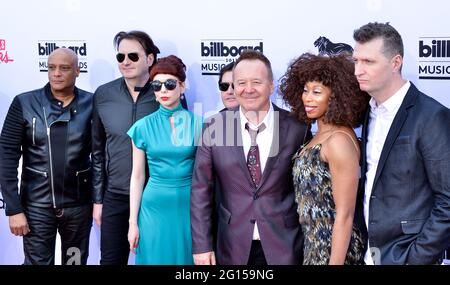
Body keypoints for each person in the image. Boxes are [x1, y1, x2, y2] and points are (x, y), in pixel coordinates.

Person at [191, 50, 311, 265]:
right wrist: (202, 246)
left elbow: (307, 191)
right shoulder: (214, 127)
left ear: (271, 86)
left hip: (284, 244)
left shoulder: (297, 128)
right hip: (232, 244)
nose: (248, 89)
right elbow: (201, 191)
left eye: (256, 82)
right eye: (241, 83)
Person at [353, 22, 450, 265]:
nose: (358, 70)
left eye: (368, 62)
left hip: (406, 255)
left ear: (396, 63)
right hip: (369, 255)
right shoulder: (368, 111)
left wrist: (416, 258)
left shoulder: (431, 116)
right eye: (356, 61)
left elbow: (448, 199)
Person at [0, 48, 93, 265]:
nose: (56, 73)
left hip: (78, 208)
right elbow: (6, 156)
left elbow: (100, 157)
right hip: (36, 207)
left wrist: (98, 201)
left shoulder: (92, 104)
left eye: (64, 68)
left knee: (75, 263)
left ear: (78, 71)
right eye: (51, 68)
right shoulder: (24, 103)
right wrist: (13, 209)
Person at [279, 52, 369, 265]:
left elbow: (345, 215)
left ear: (336, 97)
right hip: (314, 247)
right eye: (305, 90)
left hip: (335, 251)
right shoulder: (319, 134)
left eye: (317, 92)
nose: (307, 98)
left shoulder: (338, 140)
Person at [91, 31, 161, 265]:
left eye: (132, 55)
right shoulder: (103, 94)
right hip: (116, 196)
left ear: (149, 59)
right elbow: (97, 150)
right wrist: (98, 199)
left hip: (154, 196)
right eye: (120, 57)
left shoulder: (165, 93)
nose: (126, 61)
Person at [127, 55, 202, 264]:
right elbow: (137, 176)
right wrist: (133, 222)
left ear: (182, 86)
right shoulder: (142, 127)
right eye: (157, 86)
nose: (163, 91)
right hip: (153, 209)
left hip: (189, 206)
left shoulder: (200, 125)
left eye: (169, 84)